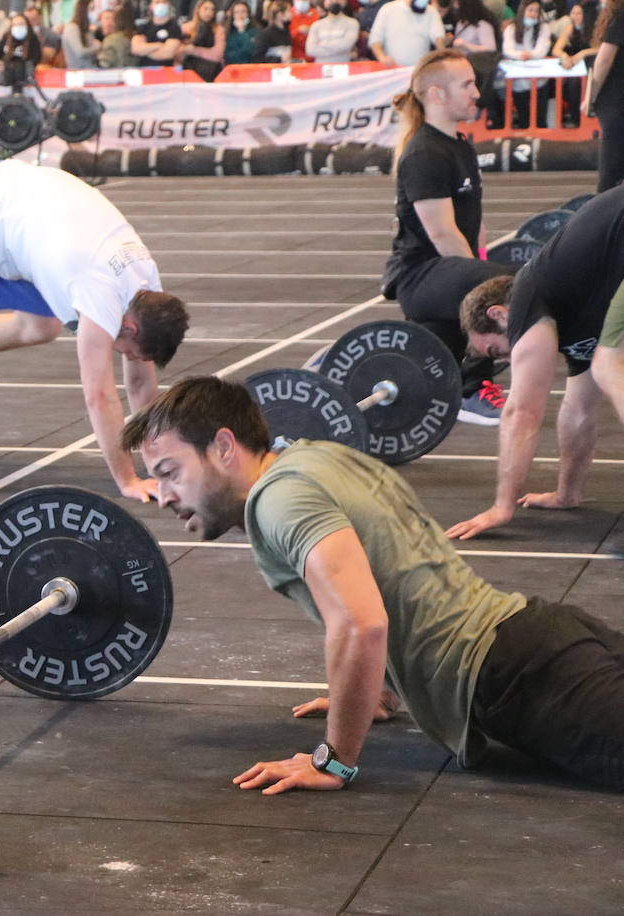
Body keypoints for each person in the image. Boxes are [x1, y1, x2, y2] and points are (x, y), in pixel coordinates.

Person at [122, 376, 624, 794]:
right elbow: (395, 559)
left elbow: (361, 624)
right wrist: (379, 690)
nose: (163, 496)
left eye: (170, 472)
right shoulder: (317, 458)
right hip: (540, 634)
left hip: (515, 676)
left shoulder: (278, 501)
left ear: (224, 447)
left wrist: (332, 760)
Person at [0, 158, 190, 493]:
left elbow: (142, 386)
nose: (127, 358)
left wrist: (161, 466)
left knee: (41, 327)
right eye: (129, 351)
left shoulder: (146, 286)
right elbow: (99, 397)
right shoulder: (98, 291)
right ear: (131, 327)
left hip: (29, 225)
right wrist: (128, 480)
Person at [446, 185, 624, 540]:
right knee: (604, 367)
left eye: (498, 352)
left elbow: (522, 412)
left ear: (499, 315)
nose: (511, 361)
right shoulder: (573, 315)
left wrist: (502, 506)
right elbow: (578, 412)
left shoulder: (529, 296)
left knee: (609, 365)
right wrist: (566, 495)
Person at [382, 49, 510, 426]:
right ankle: (470, 390)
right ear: (437, 94)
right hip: (420, 277)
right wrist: (486, 288)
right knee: (516, 285)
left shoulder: (459, 145)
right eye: (467, 84)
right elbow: (442, 234)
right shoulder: (424, 153)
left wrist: (482, 269)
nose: (476, 93)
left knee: (511, 285)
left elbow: (475, 224)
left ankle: (464, 372)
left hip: (448, 272)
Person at [588, 0, 624, 191]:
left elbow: (604, 61)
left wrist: (590, 96)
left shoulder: (619, 18)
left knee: (610, 170)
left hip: (616, 99)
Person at [503, 0, 554, 127]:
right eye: (530, 10)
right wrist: (520, 55)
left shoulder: (544, 28)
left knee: (541, 120)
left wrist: (530, 55)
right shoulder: (511, 28)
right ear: (523, 11)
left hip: (540, 81)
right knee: (524, 120)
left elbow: (542, 49)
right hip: (518, 83)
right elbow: (507, 50)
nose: (533, 14)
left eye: (536, 11)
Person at [552, 1, 594, 126]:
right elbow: (556, 49)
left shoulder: (593, 28)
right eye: (573, 13)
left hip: (589, 64)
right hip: (574, 66)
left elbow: (600, 47)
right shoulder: (569, 28)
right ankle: (574, 117)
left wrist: (584, 53)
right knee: (571, 84)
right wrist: (564, 55)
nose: (575, 16)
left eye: (579, 13)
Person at [369, 0, 447, 65]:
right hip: (392, 70)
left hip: (419, 70)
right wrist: (382, 57)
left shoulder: (432, 12)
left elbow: (438, 38)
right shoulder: (388, 9)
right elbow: (375, 39)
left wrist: (443, 58)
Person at [178, 0, 225, 78]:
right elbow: (178, 52)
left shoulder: (218, 29)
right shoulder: (185, 28)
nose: (208, 12)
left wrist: (193, 50)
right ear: (198, 9)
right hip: (188, 71)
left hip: (211, 72)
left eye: (212, 9)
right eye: (205, 8)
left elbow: (217, 55)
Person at [131, 0, 183, 64]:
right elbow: (136, 49)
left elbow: (168, 54)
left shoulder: (174, 27)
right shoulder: (144, 27)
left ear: (169, 5)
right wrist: (159, 45)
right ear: (151, 6)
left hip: (166, 70)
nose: (161, 5)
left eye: (164, 2)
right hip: (144, 68)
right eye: (157, 2)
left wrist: (145, 51)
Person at [61, 0, 101, 67]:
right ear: (83, 10)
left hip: (90, 70)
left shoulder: (87, 30)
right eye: (91, 9)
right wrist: (97, 47)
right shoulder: (72, 28)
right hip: (77, 72)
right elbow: (80, 52)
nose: (94, 13)